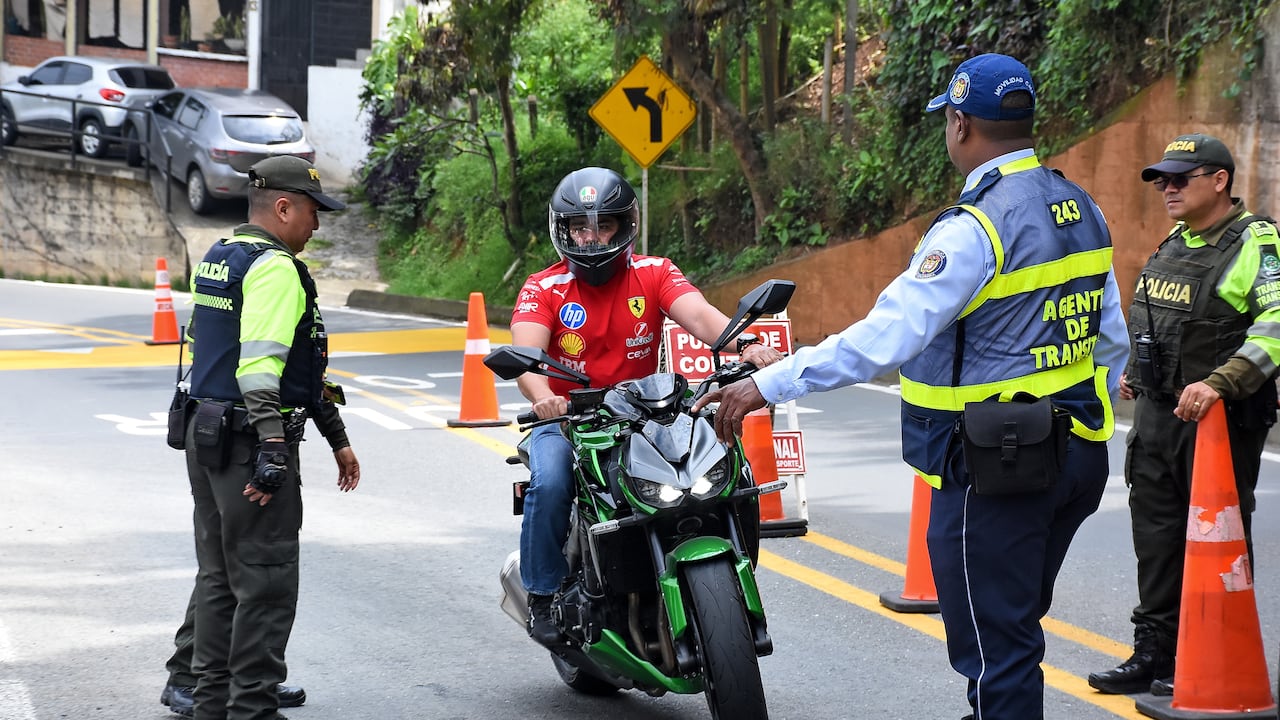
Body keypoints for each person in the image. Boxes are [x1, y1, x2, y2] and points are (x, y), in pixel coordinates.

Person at [693, 54, 1129, 720]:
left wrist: (768, 384)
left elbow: (882, 340)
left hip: (996, 468)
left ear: (959, 124)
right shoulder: (1080, 207)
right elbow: (1110, 337)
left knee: (996, 644)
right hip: (1077, 454)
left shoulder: (976, 228)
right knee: (1010, 626)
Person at [511, 166, 782, 645]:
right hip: (572, 418)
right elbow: (526, 354)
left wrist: (747, 345)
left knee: (728, 471)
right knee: (550, 481)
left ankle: (728, 573)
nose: (592, 239)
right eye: (580, 228)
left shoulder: (654, 272)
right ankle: (541, 595)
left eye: (604, 226)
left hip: (647, 414)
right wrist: (545, 398)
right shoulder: (543, 287)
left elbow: (698, 313)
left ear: (625, 225)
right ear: (563, 231)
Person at [1087, 133, 1279, 696]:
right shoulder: (1179, 238)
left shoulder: (1253, 243)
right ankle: (1155, 653)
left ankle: (1213, 653)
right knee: (1156, 538)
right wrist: (1137, 371)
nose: (1166, 189)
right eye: (1161, 180)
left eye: (1180, 178)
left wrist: (1221, 383)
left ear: (1219, 181)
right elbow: (1165, 320)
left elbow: (1275, 327)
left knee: (1213, 543)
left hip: (1218, 428)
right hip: (1155, 416)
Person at [181, 155, 360, 720]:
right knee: (264, 582)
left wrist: (334, 433)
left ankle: (213, 705)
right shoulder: (277, 269)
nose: (316, 225)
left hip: (204, 435)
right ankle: (252, 709)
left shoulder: (218, 258)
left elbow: (285, 368)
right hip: (249, 443)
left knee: (219, 580)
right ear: (282, 207)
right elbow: (260, 373)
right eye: (311, 212)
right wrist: (274, 450)